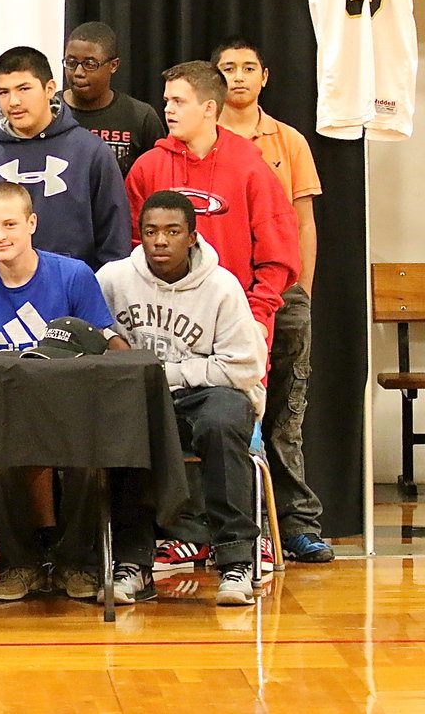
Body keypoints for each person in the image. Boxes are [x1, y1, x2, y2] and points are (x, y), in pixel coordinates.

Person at [124, 61, 299, 569]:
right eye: (166, 100)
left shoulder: (249, 165)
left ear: (208, 108)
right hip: (164, 327)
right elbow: (135, 249)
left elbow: (280, 252)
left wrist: (258, 312)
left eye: (178, 101)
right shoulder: (148, 167)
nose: (167, 109)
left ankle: (251, 535)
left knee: (234, 426)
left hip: (233, 324)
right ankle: (188, 530)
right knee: (166, 422)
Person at [0, 181, 126, 601]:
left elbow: (102, 347)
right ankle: (19, 563)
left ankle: (74, 562)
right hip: (8, 410)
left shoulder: (74, 275)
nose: (1, 236)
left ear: (32, 223)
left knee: (89, 454)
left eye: (11, 224)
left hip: (72, 408)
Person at [97, 191, 268, 605]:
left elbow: (245, 366)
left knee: (222, 422)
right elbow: (95, 338)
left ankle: (236, 562)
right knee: (127, 422)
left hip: (212, 394)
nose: (160, 241)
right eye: (151, 231)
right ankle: (133, 563)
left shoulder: (221, 286)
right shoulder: (112, 280)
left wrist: (166, 374)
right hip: (142, 397)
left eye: (172, 231)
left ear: (192, 236)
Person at [214, 37, 333, 563]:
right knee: (227, 412)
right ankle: (226, 528)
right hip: (223, 299)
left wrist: (299, 288)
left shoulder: (288, 141)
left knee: (286, 411)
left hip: (281, 294)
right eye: (227, 69)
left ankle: (295, 523)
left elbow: (303, 221)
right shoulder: (206, 140)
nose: (238, 77)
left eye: (247, 68)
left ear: (265, 76)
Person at [0, 45, 130, 278]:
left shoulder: (91, 153)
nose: (13, 101)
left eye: (24, 89)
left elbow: (114, 245)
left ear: (49, 89)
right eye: (3, 92)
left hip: (73, 300)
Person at [61, 21, 165, 178]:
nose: (78, 72)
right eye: (71, 63)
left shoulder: (140, 117)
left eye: (90, 64)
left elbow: (157, 176)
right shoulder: (48, 109)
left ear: (113, 65)